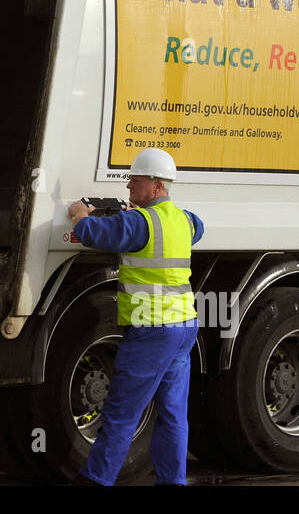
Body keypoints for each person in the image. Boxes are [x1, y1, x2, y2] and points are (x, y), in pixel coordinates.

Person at [66, 148, 204, 486]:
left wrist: (80, 215)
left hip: (152, 330)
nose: (129, 185)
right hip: (184, 328)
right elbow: (197, 228)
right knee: (172, 414)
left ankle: (96, 480)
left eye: (136, 180)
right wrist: (135, 214)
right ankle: (172, 482)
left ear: (156, 186)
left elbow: (94, 234)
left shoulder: (138, 222)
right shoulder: (185, 220)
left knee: (122, 412)